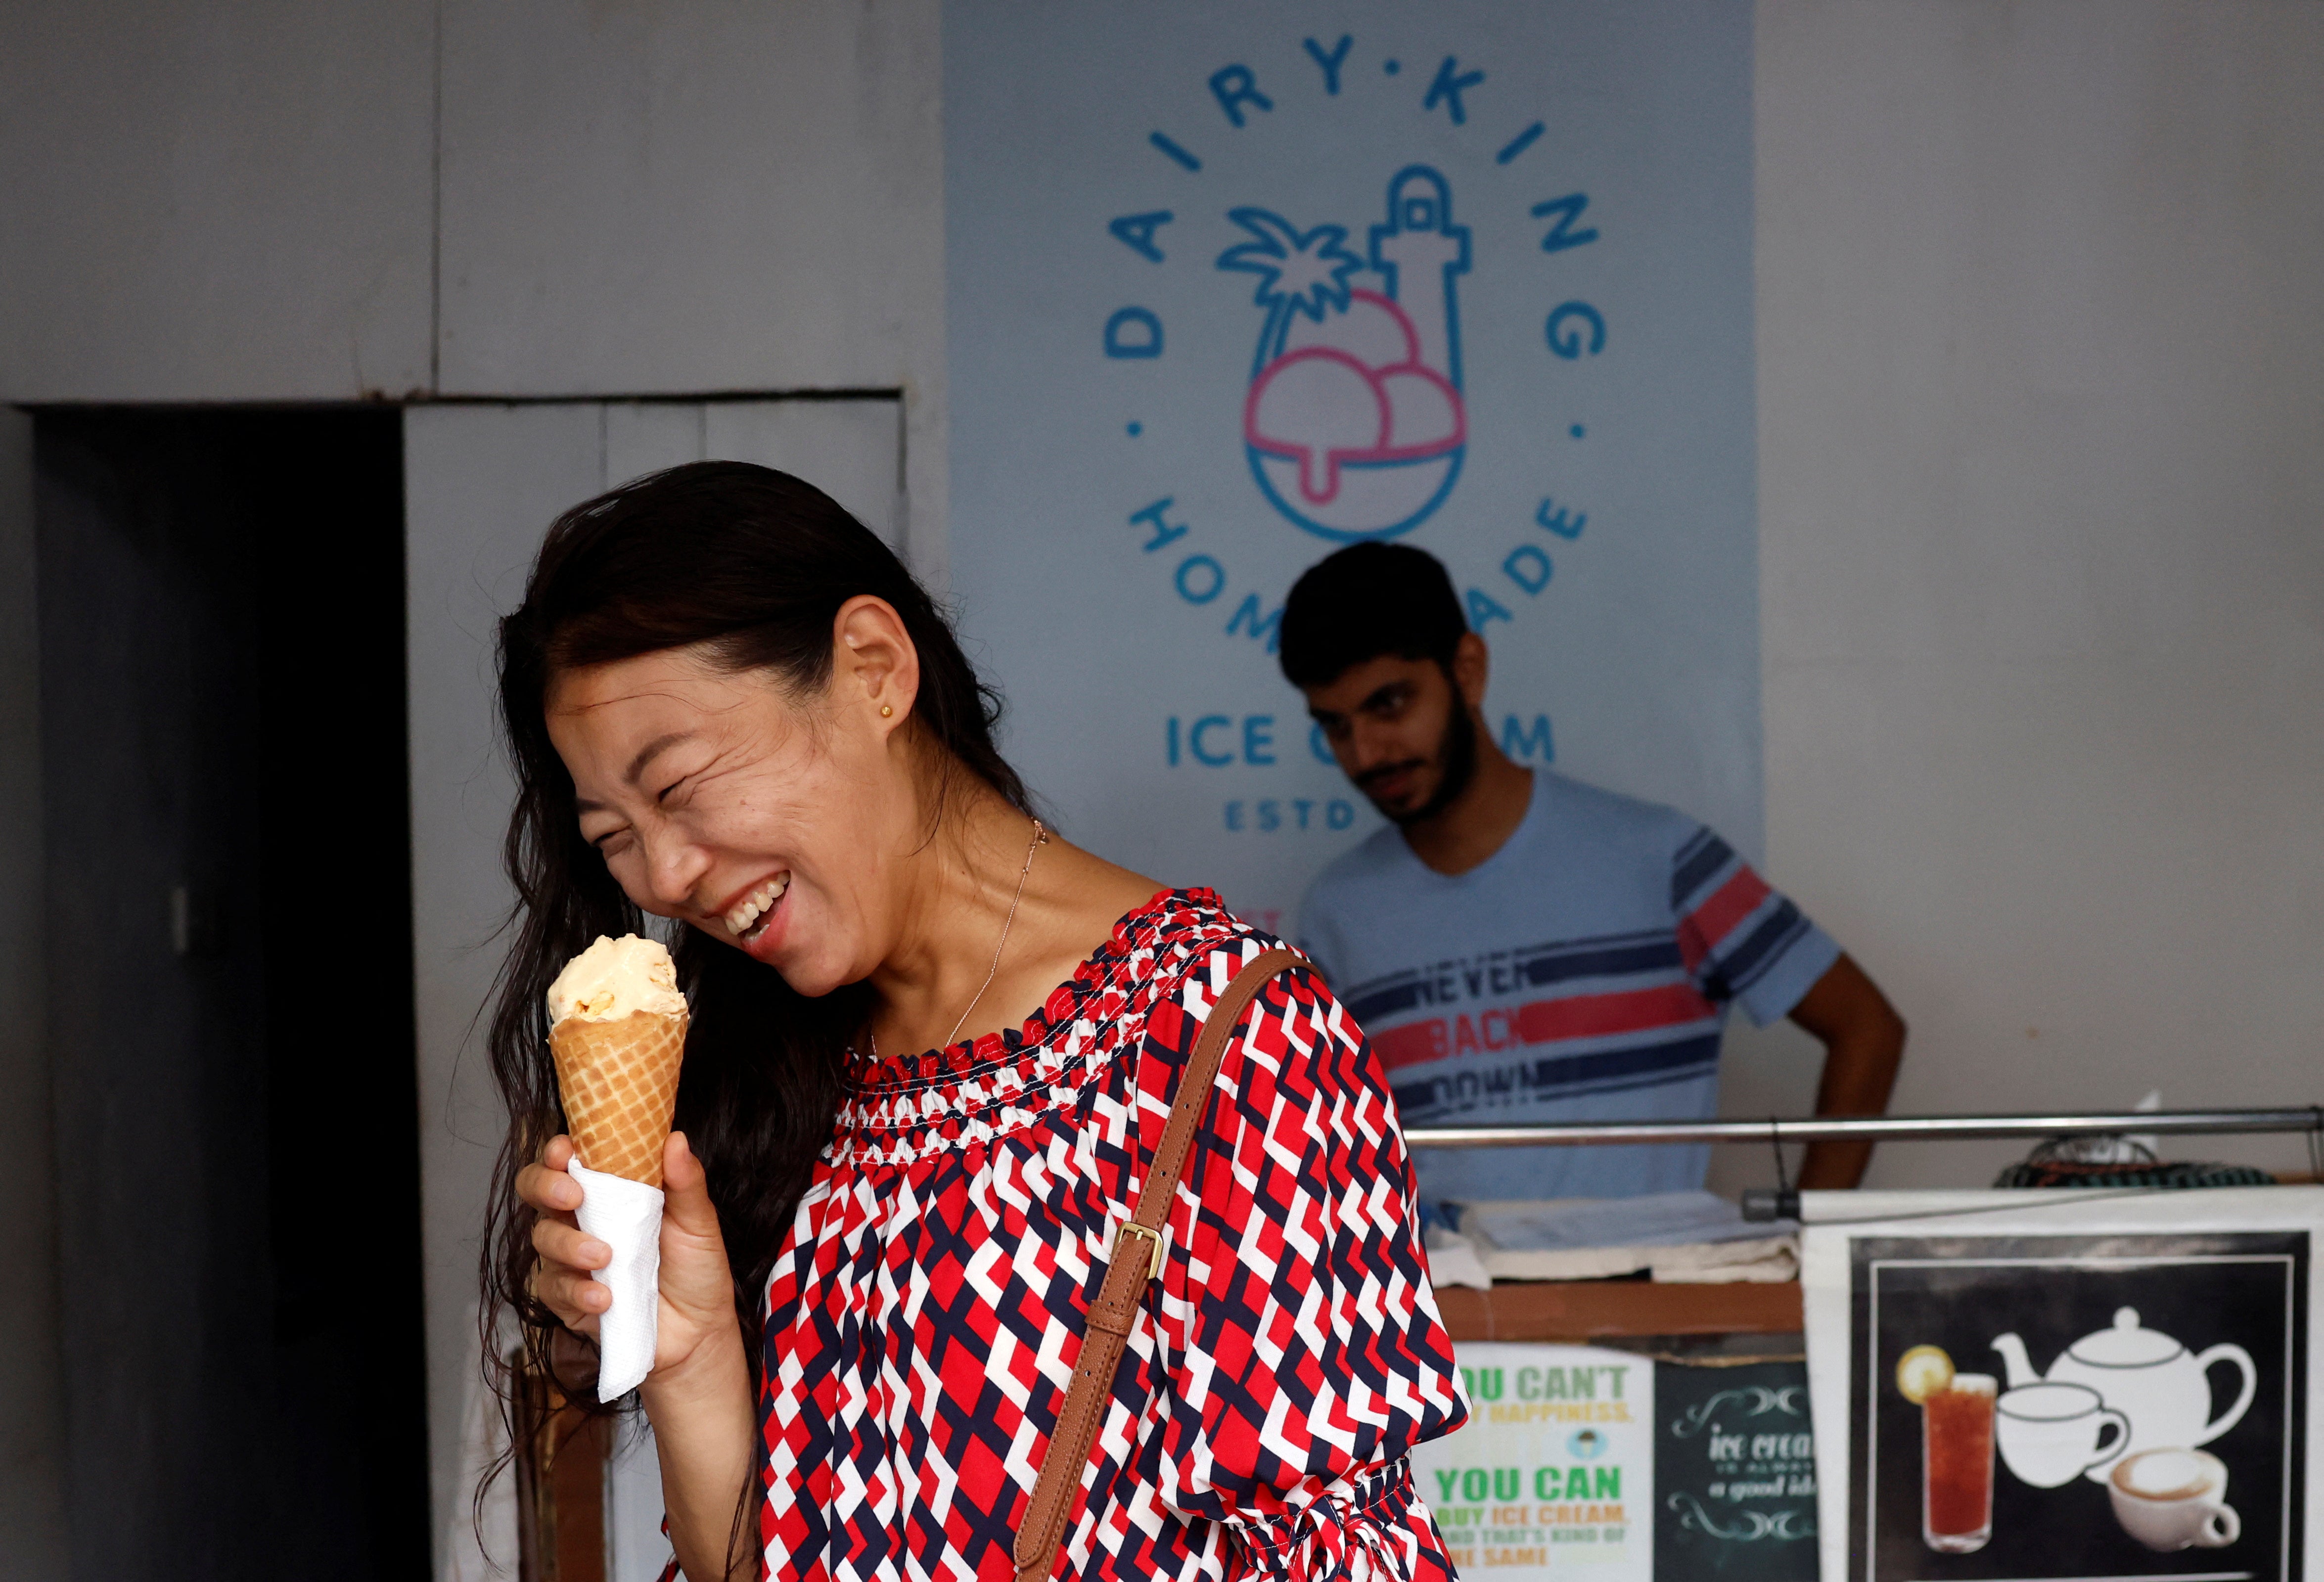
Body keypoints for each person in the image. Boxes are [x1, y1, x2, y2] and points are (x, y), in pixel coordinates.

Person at [484, 463, 1465, 1582]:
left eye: (681, 786)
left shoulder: (1235, 1042)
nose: (665, 875)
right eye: (613, 835)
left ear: (873, 669)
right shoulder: (777, 1082)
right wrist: (694, 1356)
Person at [1278, 542, 1905, 1206]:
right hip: (1435, 1305)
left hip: (1646, 1298)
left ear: (1467, 671)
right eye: (1335, 727)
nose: (1367, 753)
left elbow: (1866, 1028)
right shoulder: (1336, 913)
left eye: (1391, 705)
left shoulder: (1660, 859)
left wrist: (1803, 1241)